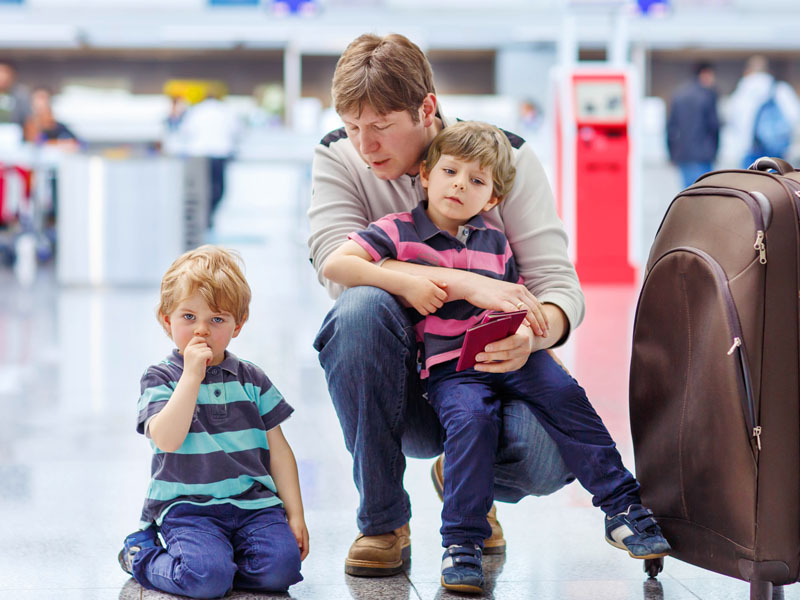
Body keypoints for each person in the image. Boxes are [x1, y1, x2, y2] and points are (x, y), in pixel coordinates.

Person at [308, 32, 648, 580]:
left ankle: (468, 481)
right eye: (353, 127)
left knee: (548, 453)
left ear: (427, 109)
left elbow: (560, 286)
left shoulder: (502, 157)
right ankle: (383, 521)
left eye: (380, 126)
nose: (365, 145)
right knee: (359, 310)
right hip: (401, 383)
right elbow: (333, 263)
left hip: (487, 374)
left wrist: (533, 337)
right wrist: (463, 283)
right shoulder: (338, 154)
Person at [118, 245, 308, 599]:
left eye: (217, 319)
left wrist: (294, 513)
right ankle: (141, 555)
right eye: (188, 317)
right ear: (166, 319)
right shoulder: (161, 377)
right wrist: (191, 377)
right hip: (188, 507)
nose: (201, 331)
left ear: (238, 325)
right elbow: (166, 440)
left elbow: (278, 451)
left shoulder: (252, 379)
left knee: (282, 569)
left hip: (254, 505)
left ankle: (221, 559)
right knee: (205, 580)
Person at [724, 55, 800, 168]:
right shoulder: (779, 89)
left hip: (749, 149)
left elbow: (731, 120)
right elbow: (794, 116)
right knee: (777, 184)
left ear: (748, 71)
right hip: (777, 150)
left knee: (749, 184)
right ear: (767, 70)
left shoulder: (742, 91)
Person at [666, 63, 719, 188]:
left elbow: (670, 127)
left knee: (687, 196)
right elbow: (714, 126)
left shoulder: (678, 95)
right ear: (705, 74)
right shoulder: (708, 95)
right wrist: (715, 151)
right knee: (704, 196)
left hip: (683, 154)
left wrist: (671, 153)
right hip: (703, 156)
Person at [23, 87, 80, 151]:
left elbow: (75, 143)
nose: (40, 103)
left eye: (43, 98)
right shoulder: (25, 126)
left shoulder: (58, 128)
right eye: (36, 98)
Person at [0, 60, 31, 127]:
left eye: (6, 72)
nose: (3, 76)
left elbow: (28, 119)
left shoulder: (21, 93)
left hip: (16, 133)